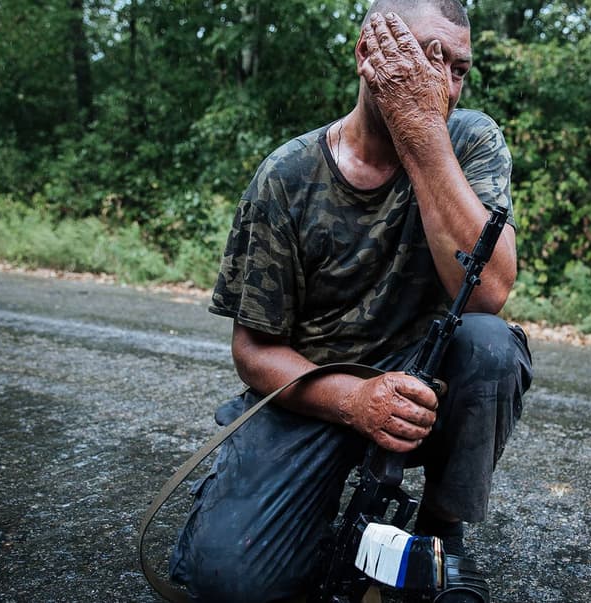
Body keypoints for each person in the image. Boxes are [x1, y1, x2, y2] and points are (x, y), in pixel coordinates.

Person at [167, 1, 533, 601]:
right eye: (426, 55)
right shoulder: (287, 174)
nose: (442, 82)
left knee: (491, 345)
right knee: (229, 581)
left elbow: (488, 291)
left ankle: (442, 530)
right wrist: (356, 401)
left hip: (425, 382)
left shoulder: (470, 139)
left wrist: (423, 141)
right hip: (317, 391)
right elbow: (255, 350)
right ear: (368, 54)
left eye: (458, 67)